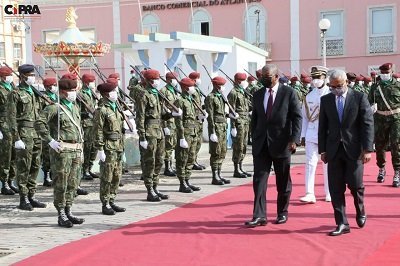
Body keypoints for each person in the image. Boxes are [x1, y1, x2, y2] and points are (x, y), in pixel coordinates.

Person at [244, 64, 302, 227]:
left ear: (276, 77)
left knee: (283, 181)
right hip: (261, 144)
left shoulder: (289, 93)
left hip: (282, 143)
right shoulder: (257, 94)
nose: (264, 79)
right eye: (262, 76)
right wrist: (254, 137)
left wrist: (294, 139)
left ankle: (282, 212)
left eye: (267, 77)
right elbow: (255, 119)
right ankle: (259, 215)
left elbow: (297, 117)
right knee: (259, 181)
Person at [319, 69, 374, 236]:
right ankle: (342, 223)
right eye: (332, 86)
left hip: (354, 149)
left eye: (339, 86)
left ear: (346, 83)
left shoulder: (359, 97)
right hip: (334, 150)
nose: (336, 89)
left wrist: (367, 149)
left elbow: (367, 124)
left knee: (356, 185)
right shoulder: (326, 99)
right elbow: (323, 127)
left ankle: (360, 210)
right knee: (336, 188)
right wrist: (322, 149)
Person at [35, 77, 85, 228]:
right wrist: (50, 140)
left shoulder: (74, 107)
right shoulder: (54, 108)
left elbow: (78, 128)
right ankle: (61, 213)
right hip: (62, 151)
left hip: (75, 149)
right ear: (63, 92)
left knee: (73, 183)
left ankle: (69, 209)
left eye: (75, 90)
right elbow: (39, 123)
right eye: (71, 91)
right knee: (61, 183)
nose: (74, 93)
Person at [136, 69, 182, 201]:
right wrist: (142, 136)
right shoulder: (144, 95)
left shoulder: (156, 94)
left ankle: (155, 187)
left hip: (159, 130)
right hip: (149, 132)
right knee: (150, 161)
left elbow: (161, 114)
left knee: (159, 160)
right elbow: (140, 117)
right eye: (156, 79)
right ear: (150, 81)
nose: (157, 82)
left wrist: (172, 114)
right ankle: (149, 189)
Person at [8, 64, 46, 211]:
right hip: (24, 133)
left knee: (35, 165)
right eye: (29, 74)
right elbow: (11, 117)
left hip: (36, 133)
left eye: (33, 74)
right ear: (23, 76)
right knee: (24, 166)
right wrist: (16, 137)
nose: (32, 77)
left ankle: (32, 195)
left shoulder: (35, 92)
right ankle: (23, 198)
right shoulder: (16, 93)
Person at [93, 81, 126, 215]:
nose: (116, 93)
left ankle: (112, 200)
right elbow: (98, 130)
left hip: (118, 146)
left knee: (117, 176)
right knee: (107, 176)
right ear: (107, 94)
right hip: (108, 147)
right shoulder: (102, 110)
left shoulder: (115, 107)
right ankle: (105, 203)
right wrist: (100, 149)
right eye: (114, 91)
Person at [300, 66, 331, 203]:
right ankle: (309, 193)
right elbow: (304, 117)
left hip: (328, 134)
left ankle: (329, 192)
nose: (316, 80)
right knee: (310, 163)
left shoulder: (331, 94)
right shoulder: (309, 96)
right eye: (314, 78)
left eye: (319, 77)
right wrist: (302, 135)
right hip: (312, 133)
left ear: (325, 77)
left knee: (327, 164)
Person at [368, 63, 400, 186]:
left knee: (396, 144)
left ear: (391, 72)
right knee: (380, 146)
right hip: (380, 118)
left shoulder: (398, 86)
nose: (385, 75)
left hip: (395, 119)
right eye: (383, 73)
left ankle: (397, 172)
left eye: (387, 72)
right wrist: (371, 107)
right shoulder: (375, 87)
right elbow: (369, 100)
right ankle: (381, 168)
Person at [174, 77, 202, 193]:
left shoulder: (190, 99)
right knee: (182, 159)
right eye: (191, 86)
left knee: (191, 158)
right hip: (185, 133)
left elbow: (192, 116)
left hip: (193, 132)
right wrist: (181, 137)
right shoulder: (180, 101)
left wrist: (199, 117)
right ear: (186, 88)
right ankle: (182, 183)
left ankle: (187, 180)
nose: (193, 88)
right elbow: (179, 121)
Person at [205, 76, 233, 185]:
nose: (223, 88)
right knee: (215, 152)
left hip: (223, 126)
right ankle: (214, 176)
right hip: (216, 127)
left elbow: (221, 113)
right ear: (216, 86)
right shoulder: (210, 97)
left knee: (222, 151)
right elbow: (211, 116)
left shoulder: (221, 96)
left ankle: (219, 174)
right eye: (222, 85)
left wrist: (229, 115)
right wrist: (212, 132)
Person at [228, 72, 252, 178]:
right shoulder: (233, 93)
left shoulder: (242, 92)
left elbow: (247, 106)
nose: (244, 83)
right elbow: (231, 111)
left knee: (244, 146)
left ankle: (241, 167)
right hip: (238, 124)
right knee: (238, 146)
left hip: (245, 122)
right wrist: (233, 127)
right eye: (243, 81)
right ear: (238, 81)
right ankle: (236, 169)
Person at [0, 66, 18, 195]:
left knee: (14, 155)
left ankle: (11, 181)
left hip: (14, 124)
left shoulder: (12, 87)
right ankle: (4, 183)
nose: (10, 77)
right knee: (5, 156)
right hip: (3, 124)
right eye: (8, 75)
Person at [80, 73, 99, 181]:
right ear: (86, 83)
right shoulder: (81, 94)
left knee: (94, 147)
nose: (93, 84)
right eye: (91, 82)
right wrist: (86, 114)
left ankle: (90, 168)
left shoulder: (92, 93)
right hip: (86, 124)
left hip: (94, 123)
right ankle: (85, 170)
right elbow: (78, 110)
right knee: (87, 148)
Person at [160, 72, 180, 177]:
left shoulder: (174, 91)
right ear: (168, 80)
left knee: (172, 145)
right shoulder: (163, 91)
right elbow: (161, 110)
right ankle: (167, 167)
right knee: (168, 145)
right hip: (168, 122)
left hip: (174, 121)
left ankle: (171, 166)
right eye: (173, 79)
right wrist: (165, 126)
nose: (175, 81)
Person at [40, 77, 59, 187]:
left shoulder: (56, 97)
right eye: (53, 85)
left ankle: (53, 174)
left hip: (56, 129)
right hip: (48, 128)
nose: (55, 87)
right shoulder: (43, 98)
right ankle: (46, 176)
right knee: (47, 154)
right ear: (47, 87)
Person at [189, 72, 206, 171]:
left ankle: (195, 160)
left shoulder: (197, 90)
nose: (199, 80)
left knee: (198, 141)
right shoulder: (191, 91)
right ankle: (191, 162)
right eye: (198, 78)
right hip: (194, 119)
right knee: (194, 142)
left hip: (199, 118)